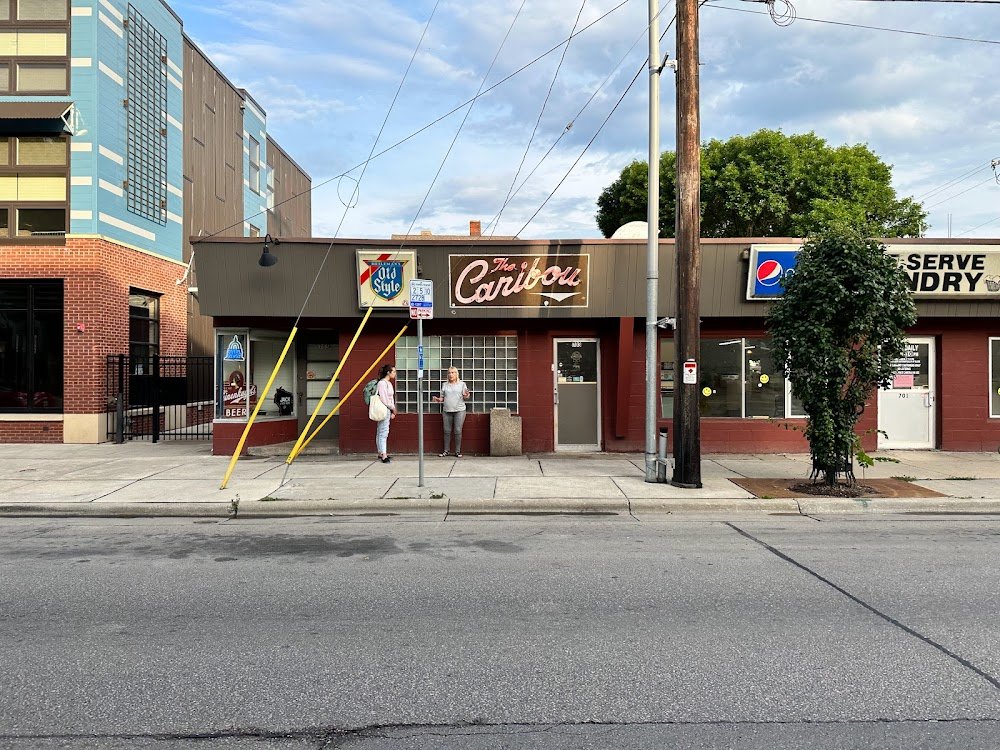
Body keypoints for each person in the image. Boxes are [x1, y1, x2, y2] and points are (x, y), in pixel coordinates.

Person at [432, 366, 470, 457]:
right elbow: (442, 398)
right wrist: (437, 399)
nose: (451, 374)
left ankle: (457, 451)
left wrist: (467, 395)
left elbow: (466, 396)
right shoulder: (444, 384)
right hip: (447, 410)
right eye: (449, 373)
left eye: (453, 372)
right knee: (447, 431)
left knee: (457, 430)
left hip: (459, 410)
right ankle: (446, 450)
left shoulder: (462, 384)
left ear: (457, 374)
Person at [375, 364, 397, 463]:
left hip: (386, 409)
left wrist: (392, 408)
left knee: (381, 431)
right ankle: (384, 455)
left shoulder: (387, 383)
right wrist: (393, 408)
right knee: (383, 432)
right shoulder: (383, 383)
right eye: (394, 372)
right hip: (384, 409)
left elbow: (389, 398)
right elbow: (384, 398)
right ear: (388, 372)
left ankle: (381, 452)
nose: (395, 374)